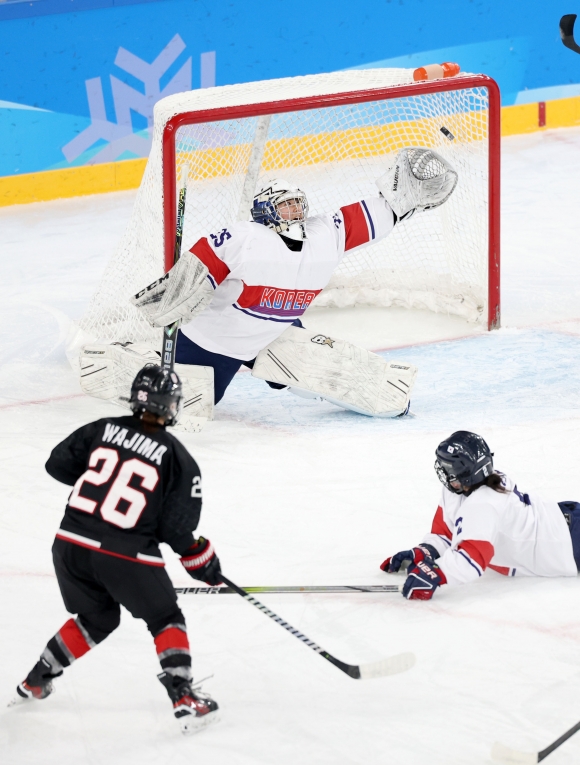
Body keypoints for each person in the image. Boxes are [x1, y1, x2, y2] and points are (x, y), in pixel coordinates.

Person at [81, 148, 457, 420]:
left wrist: (402, 197)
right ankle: (131, 359)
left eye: (297, 204)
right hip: (215, 341)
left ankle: (376, 396)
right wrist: (173, 297)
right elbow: (196, 267)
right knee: (185, 404)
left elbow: (377, 210)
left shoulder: (326, 234)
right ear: (264, 212)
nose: (295, 211)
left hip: (273, 331)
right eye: (284, 205)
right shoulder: (244, 238)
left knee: (313, 370)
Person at [11, 364, 222, 735]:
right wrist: (201, 559)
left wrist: (101, 488)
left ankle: (35, 679)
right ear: (172, 405)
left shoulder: (102, 428)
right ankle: (184, 696)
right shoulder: (176, 456)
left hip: (69, 545)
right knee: (165, 619)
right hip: (125, 555)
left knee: (97, 619)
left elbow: (57, 463)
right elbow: (177, 529)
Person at [380, 431, 579, 600]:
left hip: (568, 542)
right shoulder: (460, 489)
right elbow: (446, 532)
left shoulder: (484, 504)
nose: (442, 471)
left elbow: (472, 559)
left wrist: (437, 573)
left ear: (465, 474)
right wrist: (426, 551)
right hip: (560, 522)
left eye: (448, 468)